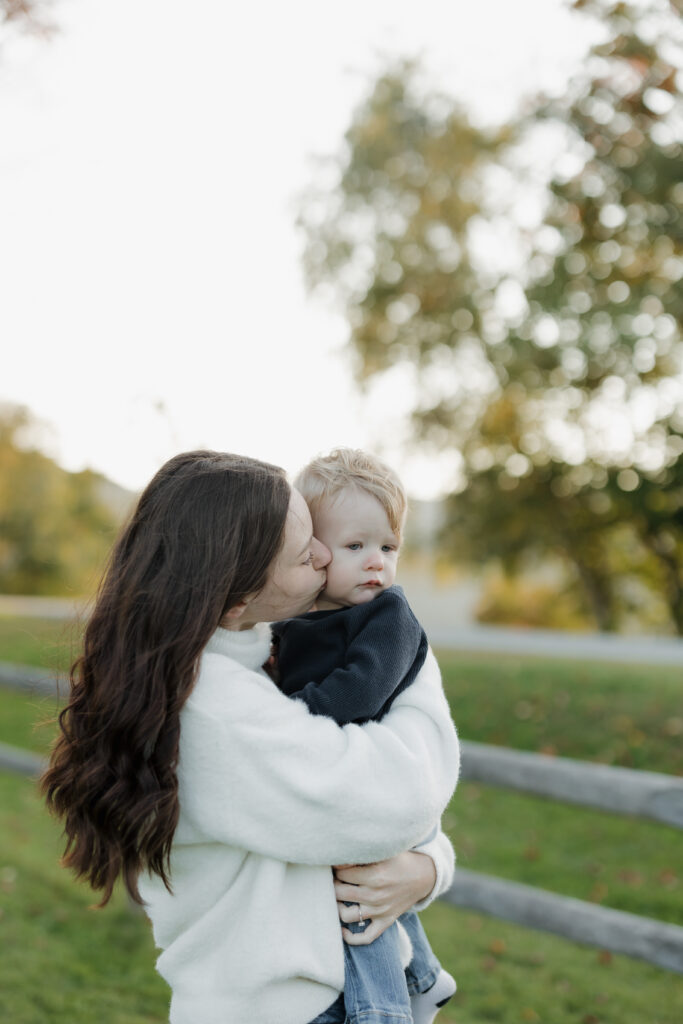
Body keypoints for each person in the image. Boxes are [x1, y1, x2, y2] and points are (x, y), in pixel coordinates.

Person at [41, 450, 460, 1024]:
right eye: (302, 549)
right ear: (236, 596)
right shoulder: (212, 706)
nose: (323, 554)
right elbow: (393, 801)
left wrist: (429, 866)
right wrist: (407, 647)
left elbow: (353, 816)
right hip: (287, 1008)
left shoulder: (248, 657)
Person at [272, 449, 456, 1024]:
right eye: (356, 547)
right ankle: (424, 974)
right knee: (356, 890)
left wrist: (289, 719)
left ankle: (384, 1009)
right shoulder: (291, 618)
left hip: (379, 790)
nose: (376, 562)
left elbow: (361, 691)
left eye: (388, 547)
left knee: (358, 893)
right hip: (345, 785)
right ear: (314, 550)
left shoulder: (389, 617)